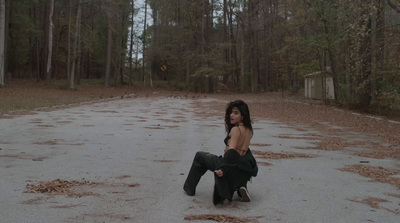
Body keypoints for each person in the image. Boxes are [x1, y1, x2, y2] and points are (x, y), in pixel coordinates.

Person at [183, 100, 258, 205]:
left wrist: (223, 169)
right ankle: (241, 186)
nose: (231, 115)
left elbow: (231, 152)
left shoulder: (236, 129)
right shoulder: (248, 129)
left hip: (229, 164)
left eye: (236, 113)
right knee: (236, 165)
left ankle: (189, 188)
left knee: (200, 156)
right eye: (231, 112)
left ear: (243, 116)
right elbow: (243, 152)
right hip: (243, 166)